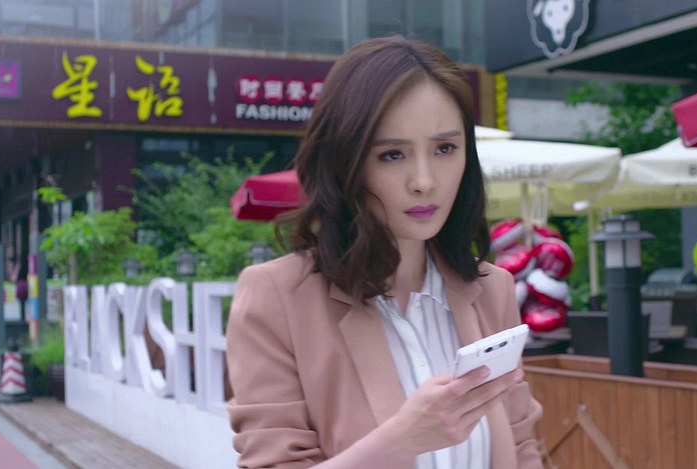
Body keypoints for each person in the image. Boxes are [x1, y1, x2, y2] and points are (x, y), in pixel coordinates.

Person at [226, 35, 544, 468]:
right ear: (345, 162)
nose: (424, 181)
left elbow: (522, 448)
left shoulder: (491, 289)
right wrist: (400, 440)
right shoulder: (277, 296)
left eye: (445, 149)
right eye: (393, 154)